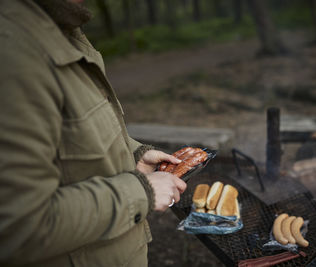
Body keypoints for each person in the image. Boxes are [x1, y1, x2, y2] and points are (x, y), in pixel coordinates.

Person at [0, 0, 187, 266]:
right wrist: (140, 192)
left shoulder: (64, 31)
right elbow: (18, 225)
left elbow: (70, 137)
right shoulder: (13, 51)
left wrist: (134, 153)